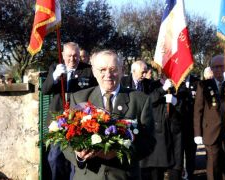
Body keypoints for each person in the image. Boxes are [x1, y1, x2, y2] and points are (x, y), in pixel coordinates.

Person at [63, 50, 155, 180]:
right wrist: (78, 155)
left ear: (122, 70)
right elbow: (66, 140)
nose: (108, 75)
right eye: (102, 70)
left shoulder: (140, 100)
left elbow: (149, 142)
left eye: (113, 69)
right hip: (88, 176)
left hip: (124, 176)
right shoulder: (79, 98)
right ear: (94, 72)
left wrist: (119, 152)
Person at [42, 42, 97, 180]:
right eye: (69, 56)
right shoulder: (55, 67)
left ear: (80, 55)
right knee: (55, 158)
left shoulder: (89, 70)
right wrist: (54, 77)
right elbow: (45, 90)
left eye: (76, 56)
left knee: (75, 159)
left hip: (79, 121)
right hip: (58, 121)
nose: (72, 59)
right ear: (62, 55)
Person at [193, 55, 225, 180]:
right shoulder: (203, 85)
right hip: (211, 131)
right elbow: (198, 110)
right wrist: (198, 133)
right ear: (211, 69)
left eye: (221, 66)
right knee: (213, 164)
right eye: (215, 67)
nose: (218, 70)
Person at [140, 75, 181, 180]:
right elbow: (147, 100)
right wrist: (162, 89)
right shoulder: (151, 85)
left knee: (175, 170)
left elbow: (188, 107)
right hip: (159, 133)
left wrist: (176, 102)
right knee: (156, 171)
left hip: (175, 132)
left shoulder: (179, 85)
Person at [177, 74, 200, 180]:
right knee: (178, 154)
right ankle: (180, 174)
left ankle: (190, 175)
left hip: (192, 125)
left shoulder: (197, 82)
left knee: (191, 153)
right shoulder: (175, 81)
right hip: (178, 125)